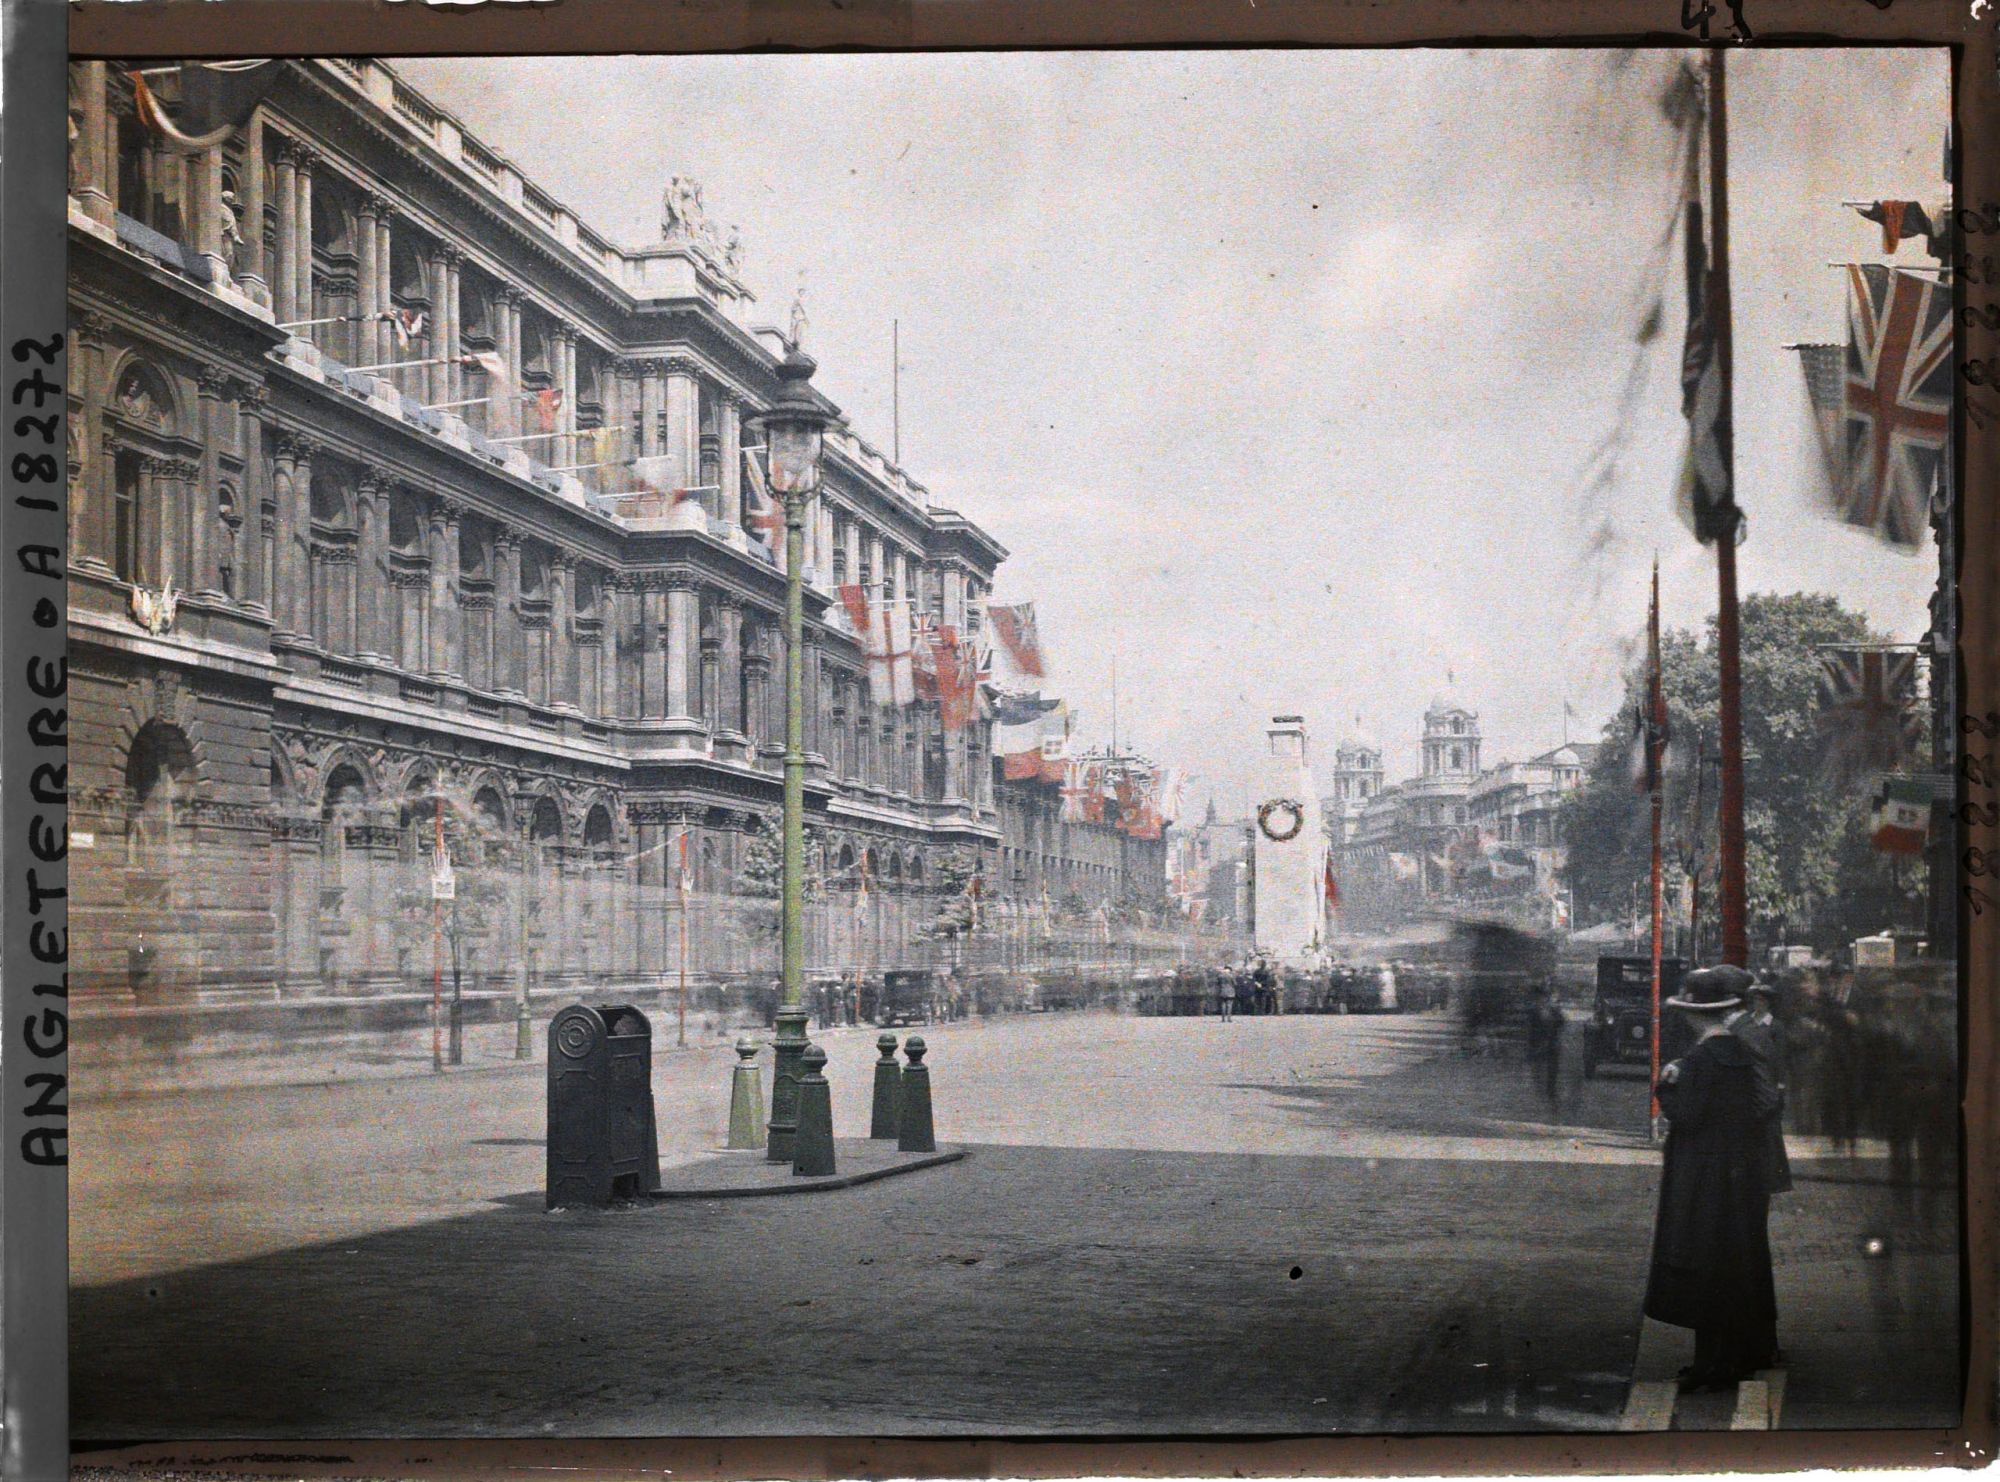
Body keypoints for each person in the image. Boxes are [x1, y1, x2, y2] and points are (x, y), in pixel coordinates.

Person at [1643, 964, 1779, 1390]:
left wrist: (1666, 1086)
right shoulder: (1736, 1052)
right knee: (1731, 1263)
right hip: (1735, 1170)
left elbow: (1687, 1114)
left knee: (1701, 1262)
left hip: (1700, 1174)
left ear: (1694, 1013)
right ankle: (1735, 1357)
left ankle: (1710, 1366)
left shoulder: (1701, 1059)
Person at [1525, 982, 1564, 1106]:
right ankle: (1541, 1092)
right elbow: (1530, 1029)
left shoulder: (1553, 1010)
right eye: (1539, 998)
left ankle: (1550, 1092)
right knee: (1538, 1070)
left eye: (1544, 998)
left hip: (1552, 1045)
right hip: (1538, 1044)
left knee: (1552, 1070)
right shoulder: (1533, 1011)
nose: (1542, 1000)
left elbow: (1561, 1021)